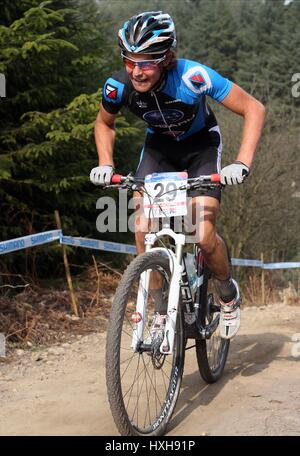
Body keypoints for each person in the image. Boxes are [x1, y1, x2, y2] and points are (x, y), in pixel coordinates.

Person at [90, 11, 265, 339]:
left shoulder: (192, 76)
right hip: (160, 151)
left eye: (147, 62)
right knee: (142, 228)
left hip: (201, 147)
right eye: (130, 61)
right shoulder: (117, 86)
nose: (137, 71)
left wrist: (241, 162)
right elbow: (104, 123)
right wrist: (105, 163)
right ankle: (159, 310)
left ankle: (227, 293)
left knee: (202, 231)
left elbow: (253, 108)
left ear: (167, 58)